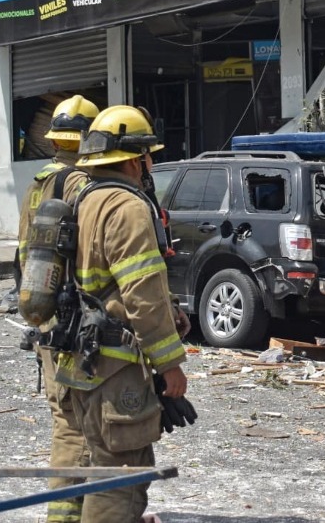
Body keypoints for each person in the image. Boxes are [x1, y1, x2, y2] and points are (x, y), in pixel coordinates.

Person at [54, 105, 190, 523]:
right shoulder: (127, 208)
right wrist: (171, 365)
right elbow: (142, 293)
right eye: (148, 155)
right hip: (116, 369)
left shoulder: (82, 199)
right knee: (121, 478)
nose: (150, 165)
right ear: (134, 160)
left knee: (95, 465)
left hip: (79, 361)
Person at [15, 94, 99, 523]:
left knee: (61, 414)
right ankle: (66, 515)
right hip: (73, 320)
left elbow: (24, 254)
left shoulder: (37, 184)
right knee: (75, 422)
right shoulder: (82, 185)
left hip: (45, 317)